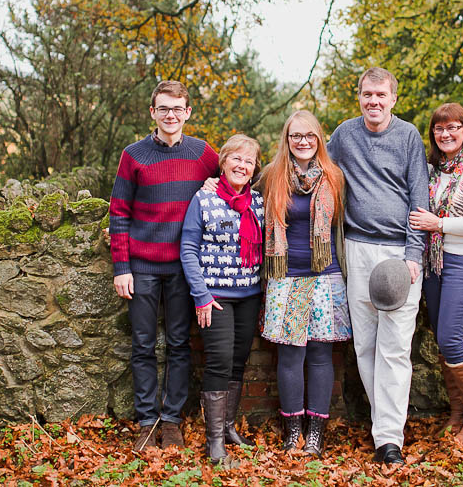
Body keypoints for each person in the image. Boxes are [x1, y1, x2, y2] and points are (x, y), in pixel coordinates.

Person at [109, 80, 220, 451]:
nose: (170, 115)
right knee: (142, 344)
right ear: (152, 112)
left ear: (187, 112)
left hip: (184, 268)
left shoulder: (203, 153)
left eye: (177, 109)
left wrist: (214, 186)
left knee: (178, 344)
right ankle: (147, 421)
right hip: (141, 266)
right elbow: (119, 213)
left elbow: (234, 180)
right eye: (163, 109)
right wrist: (121, 267)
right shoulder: (133, 155)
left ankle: (171, 420)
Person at [326, 67, 429, 465]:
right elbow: (311, 167)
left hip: (398, 253)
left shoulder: (408, 136)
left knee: (396, 347)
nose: (374, 101)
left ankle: (389, 439)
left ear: (393, 99)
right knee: (365, 345)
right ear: (359, 97)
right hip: (357, 249)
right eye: (367, 94)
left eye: (381, 95)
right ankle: (383, 426)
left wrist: (414, 254)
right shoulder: (344, 135)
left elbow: (419, 196)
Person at [260, 110, 352, 457]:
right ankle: (293, 429)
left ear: (319, 139)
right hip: (286, 277)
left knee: (320, 355)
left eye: (309, 135)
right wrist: (210, 184)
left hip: (326, 275)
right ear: (286, 139)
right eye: (296, 135)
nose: (303, 141)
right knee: (290, 355)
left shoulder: (334, 177)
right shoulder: (271, 175)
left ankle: (316, 432)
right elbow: (237, 192)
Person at [408, 103, 463, 445]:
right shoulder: (431, 170)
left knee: (450, 338)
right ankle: (458, 413)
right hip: (433, 263)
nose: (445, 134)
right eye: (439, 129)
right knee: (441, 340)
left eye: (452, 128)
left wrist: (440, 224)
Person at [180, 134, 264, 463]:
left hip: (249, 294)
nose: (242, 166)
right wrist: (200, 295)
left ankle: (229, 427)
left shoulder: (258, 202)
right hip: (214, 296)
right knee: (219, 361)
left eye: (249, 161)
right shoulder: (204, 199)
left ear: (255, 167)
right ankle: (214, 442)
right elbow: (188, 249)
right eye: (236, 159)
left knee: (238, 361)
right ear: (223, 162)